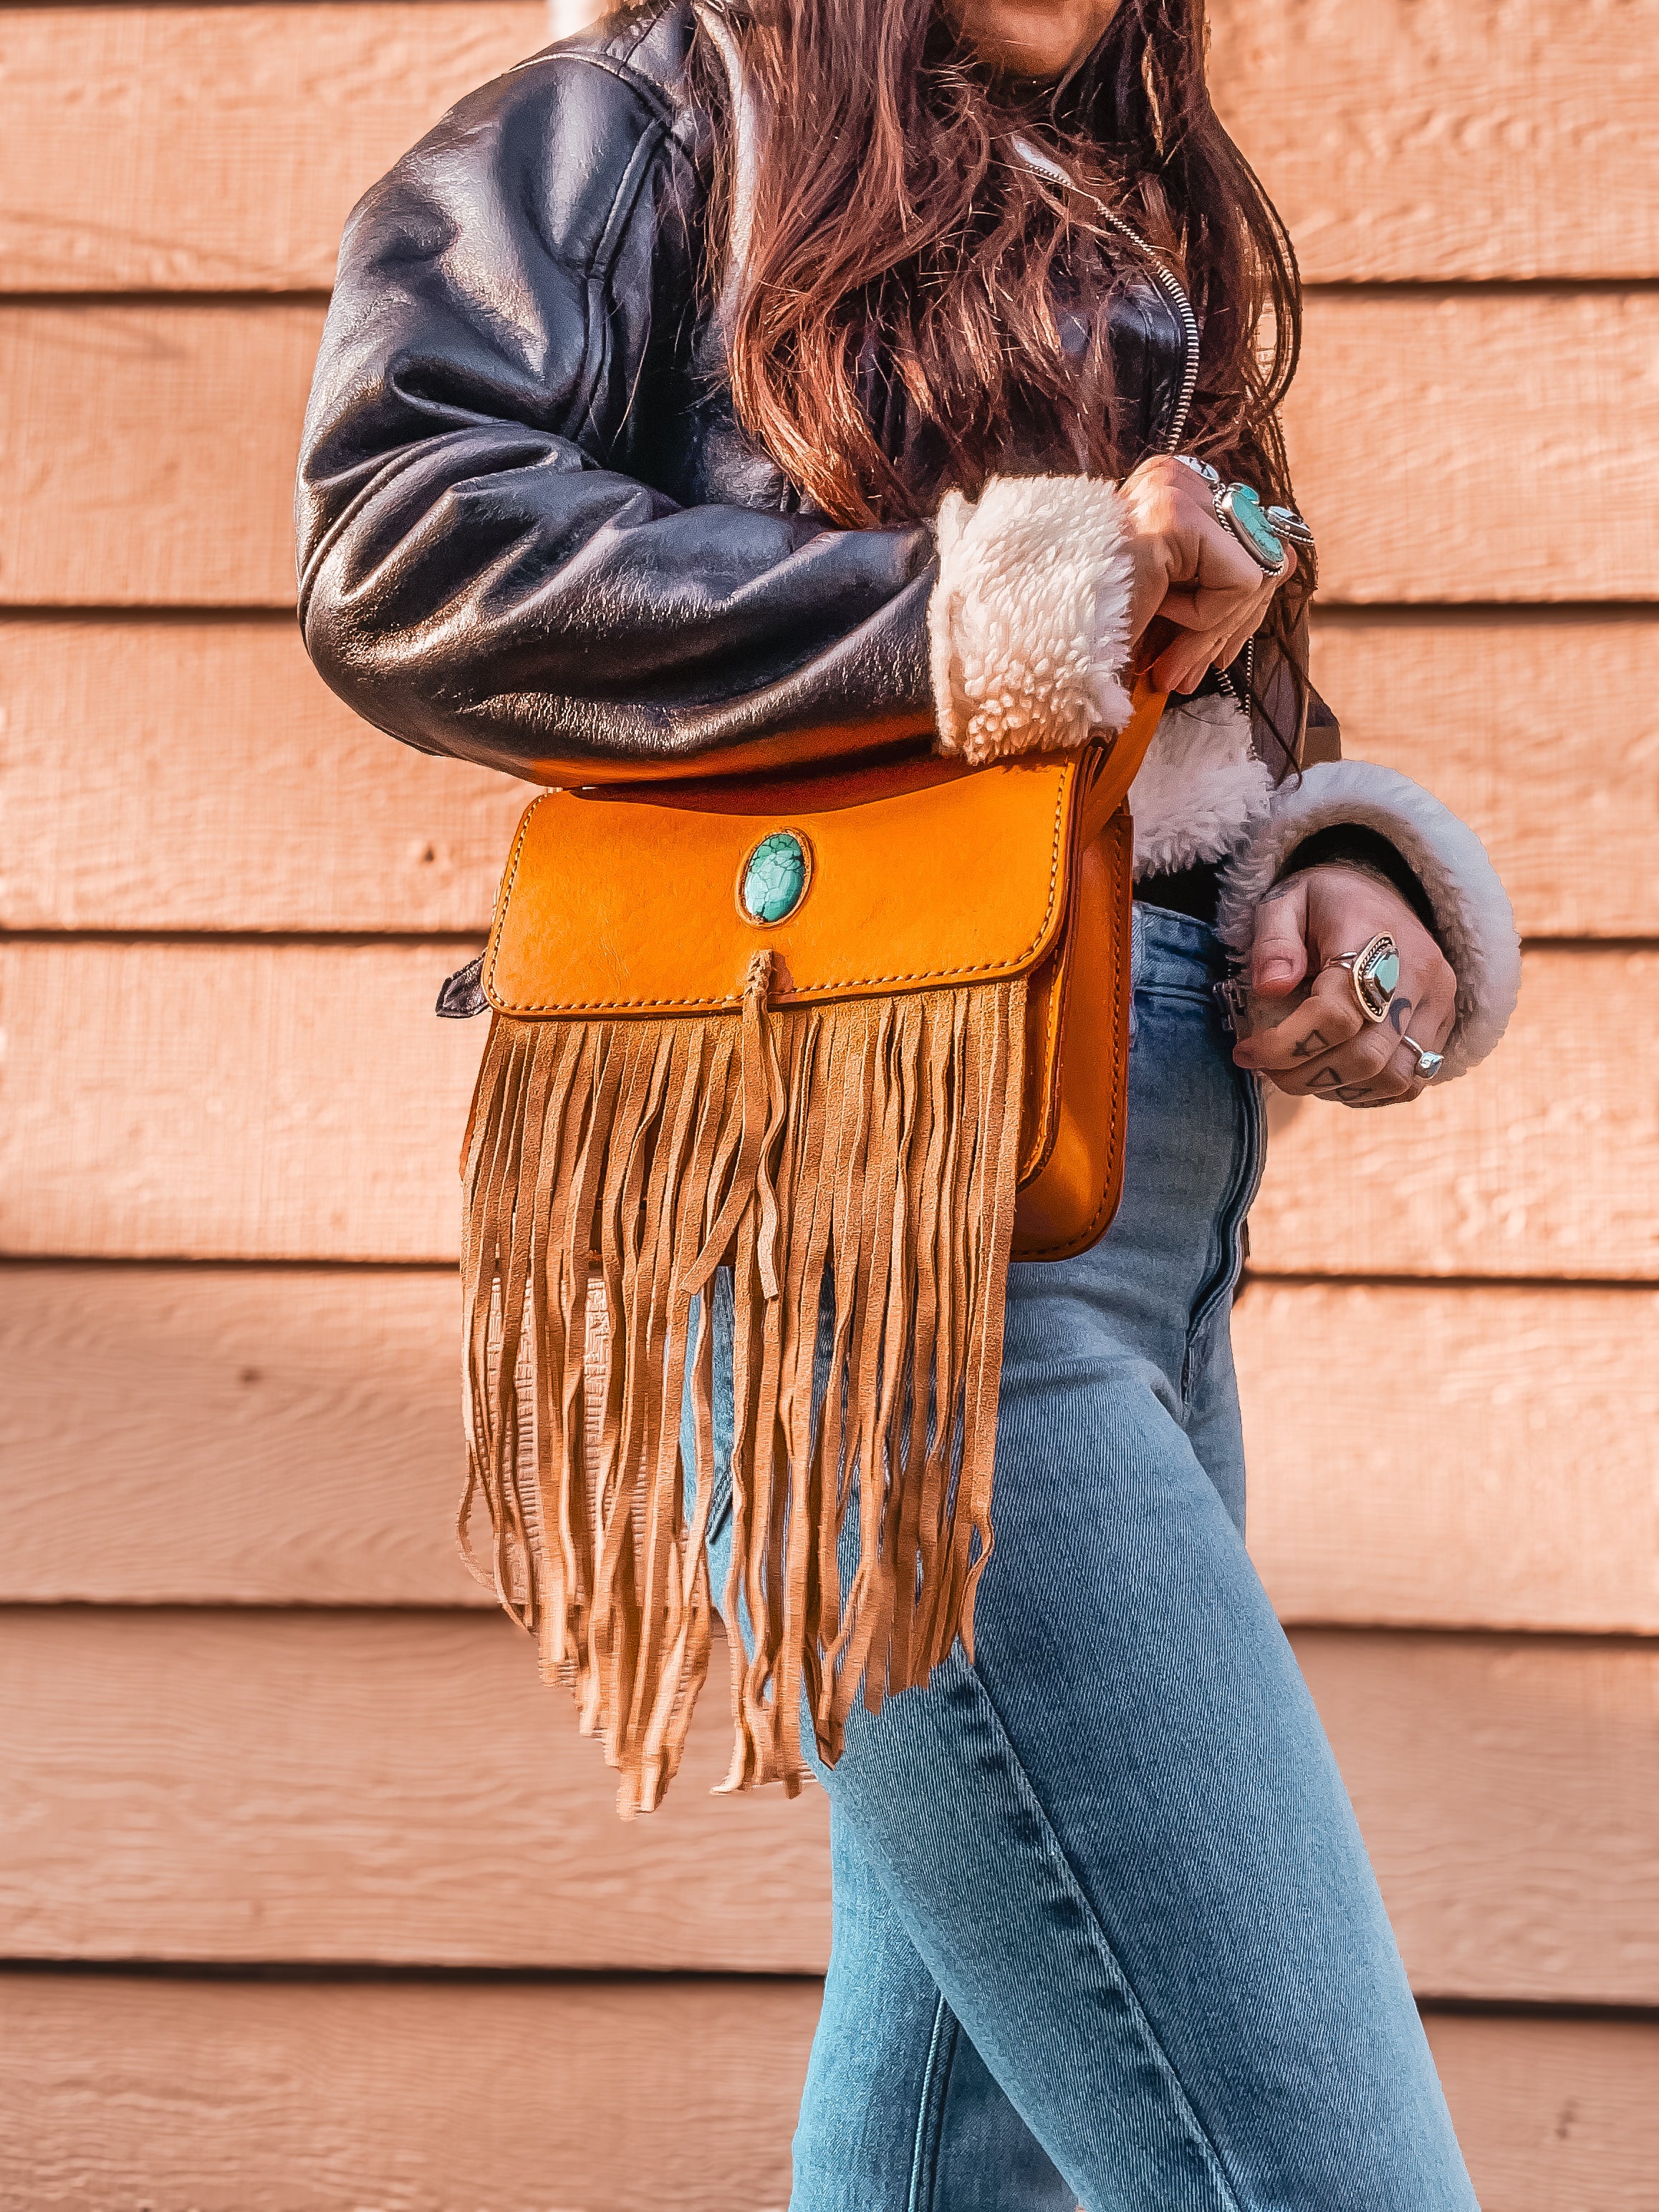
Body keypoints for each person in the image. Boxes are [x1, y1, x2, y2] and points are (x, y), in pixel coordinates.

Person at [296, 1, 1519, 2203]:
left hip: (1131, 1214)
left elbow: (1138, 727)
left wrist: (1318, 861)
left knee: (976, 2161)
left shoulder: (1067, 162)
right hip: (874, 1229)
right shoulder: (652, 118)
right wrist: (994, 596)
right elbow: (411, 540)